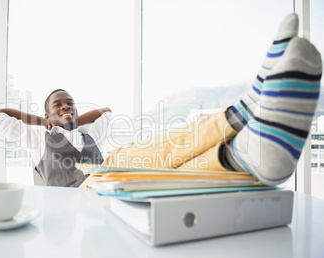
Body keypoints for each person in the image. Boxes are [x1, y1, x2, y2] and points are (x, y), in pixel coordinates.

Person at [102, 13, 322, 186]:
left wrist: (75, 124)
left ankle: (241, 156)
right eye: (64, 103)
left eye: (70, 102)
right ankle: (240, 116)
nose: (65, 106)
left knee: (163, 171)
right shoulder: (69, 135)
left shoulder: (82, 134)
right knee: (117, 161)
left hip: (90, 196)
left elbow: (103, 113)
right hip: (82, 191)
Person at [0, 89, 111, 187]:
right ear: (48, 116)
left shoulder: (91, 135)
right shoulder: (38, 140)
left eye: (70, 103)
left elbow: (106, 111)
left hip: (102, 206)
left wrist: (72, 120)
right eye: (57, 105)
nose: (65, 106)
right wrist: (44, 121)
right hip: (64, 211)